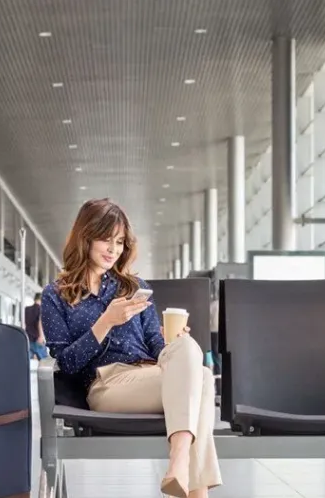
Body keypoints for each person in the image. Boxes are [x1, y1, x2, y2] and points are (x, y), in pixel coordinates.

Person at [40, 198, 221, 498]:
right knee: (201, 380)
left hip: (151, 376)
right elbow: (67, 364)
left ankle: (178, 464)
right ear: (85, 237)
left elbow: (156, 346)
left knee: (190, 350)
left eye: (120, 242)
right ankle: (181, 466)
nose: (113, 250)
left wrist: (174, 345)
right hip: (106, 385)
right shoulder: (56, 295)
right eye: (106, 240)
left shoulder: (133, 287)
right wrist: (105, 323)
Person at [24, 293, 48, 360]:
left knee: (28, 363)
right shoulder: (41, 309)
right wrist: (41, 336)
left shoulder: (26, 309)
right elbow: (40, 322)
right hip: (38, 339)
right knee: (45, 364)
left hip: (28, 339)